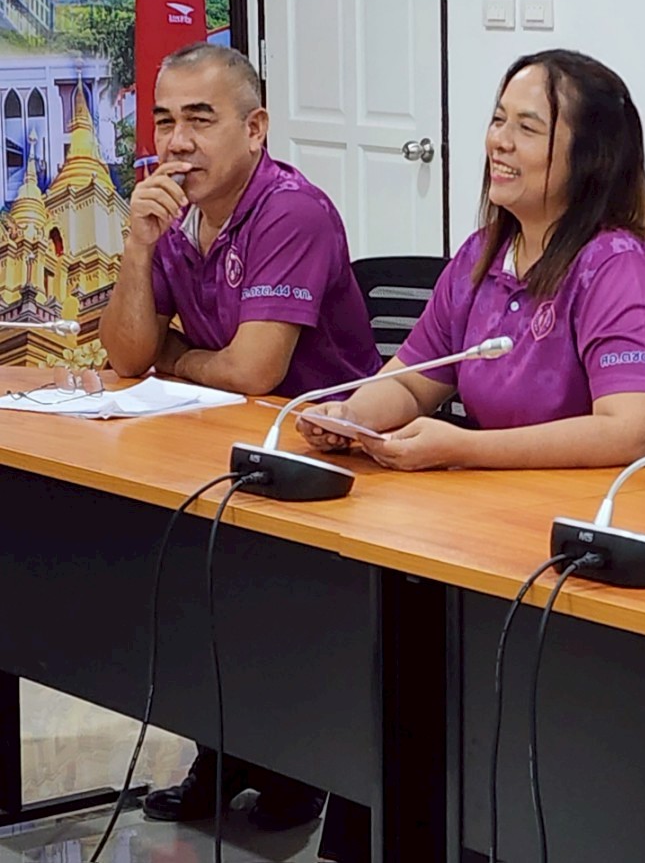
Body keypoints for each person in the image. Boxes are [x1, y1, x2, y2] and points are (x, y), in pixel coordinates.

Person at [300, 48, 645, 863]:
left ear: (589, 156)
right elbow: (417, 376)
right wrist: (348, 417)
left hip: (642, 544)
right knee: (409, 665)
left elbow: (634, 430)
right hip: (520, 531)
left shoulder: (619, 266)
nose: (497, 141)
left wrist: (465, 450)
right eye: (498, 119)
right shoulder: (483, 256)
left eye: (527, 127)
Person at [100, 42, 382, 831]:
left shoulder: (291, 210)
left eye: (200, 119)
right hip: (222, 448)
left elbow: (255, 370)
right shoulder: (173, 215)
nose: (177, 142)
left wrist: (174, 355)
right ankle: (226, 754)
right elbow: (125, 354)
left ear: (255, 129)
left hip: (323, 464)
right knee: (187, 584)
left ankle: (296, 766)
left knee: (257, 601)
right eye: (164, 121)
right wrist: (137, 247)